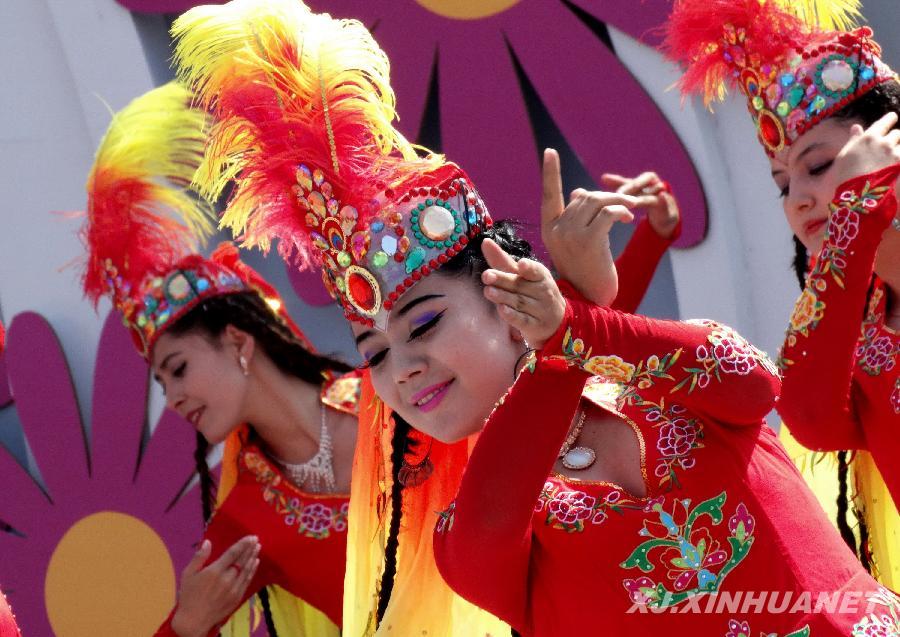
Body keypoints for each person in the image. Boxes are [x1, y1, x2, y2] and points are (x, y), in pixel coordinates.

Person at [78, 82, 358, 637]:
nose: (173, 398)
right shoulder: (247, 521)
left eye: (177, 368)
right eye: (161, 385)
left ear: (237, 341)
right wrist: (189, 623)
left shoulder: (393, 399)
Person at [662, 0, 900, 587]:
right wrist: (854, 217)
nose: (796, 199)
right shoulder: (865, 328)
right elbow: (810, 417)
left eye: (818, 166)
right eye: (782, 184)